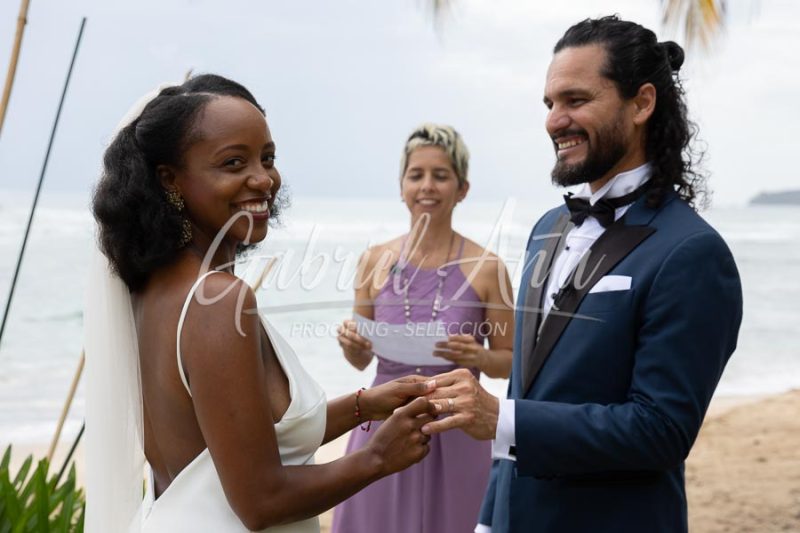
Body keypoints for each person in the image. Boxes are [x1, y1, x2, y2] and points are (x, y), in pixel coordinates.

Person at [420, 16, 743, 533]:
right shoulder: (546, 229)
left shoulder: (693, 253)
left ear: (641, 103)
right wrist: (488, 521)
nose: (554, 120)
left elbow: (661, 430)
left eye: (576, 100)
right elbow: (524, 393)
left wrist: (502, 421)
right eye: (550, 104)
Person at [84, 74, 439, 533]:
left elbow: (231, 446)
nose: (263, 179)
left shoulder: (149, 291)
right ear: (169, 180)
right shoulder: (217, 301)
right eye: (233, 163)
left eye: (267, 158)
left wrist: (365, 406)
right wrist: (376, 457)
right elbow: (260, 501)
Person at [331, 123, 515, 533]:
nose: (427, 186)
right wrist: (353, 345)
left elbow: (510, 363)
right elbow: (361, 361)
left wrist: (479, 357)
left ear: (462, 188)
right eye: (416, 175)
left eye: (441, 175)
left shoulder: (488, 269)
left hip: (459, 428)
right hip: (383, 427)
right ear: (401, 187)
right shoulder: (373, 260)